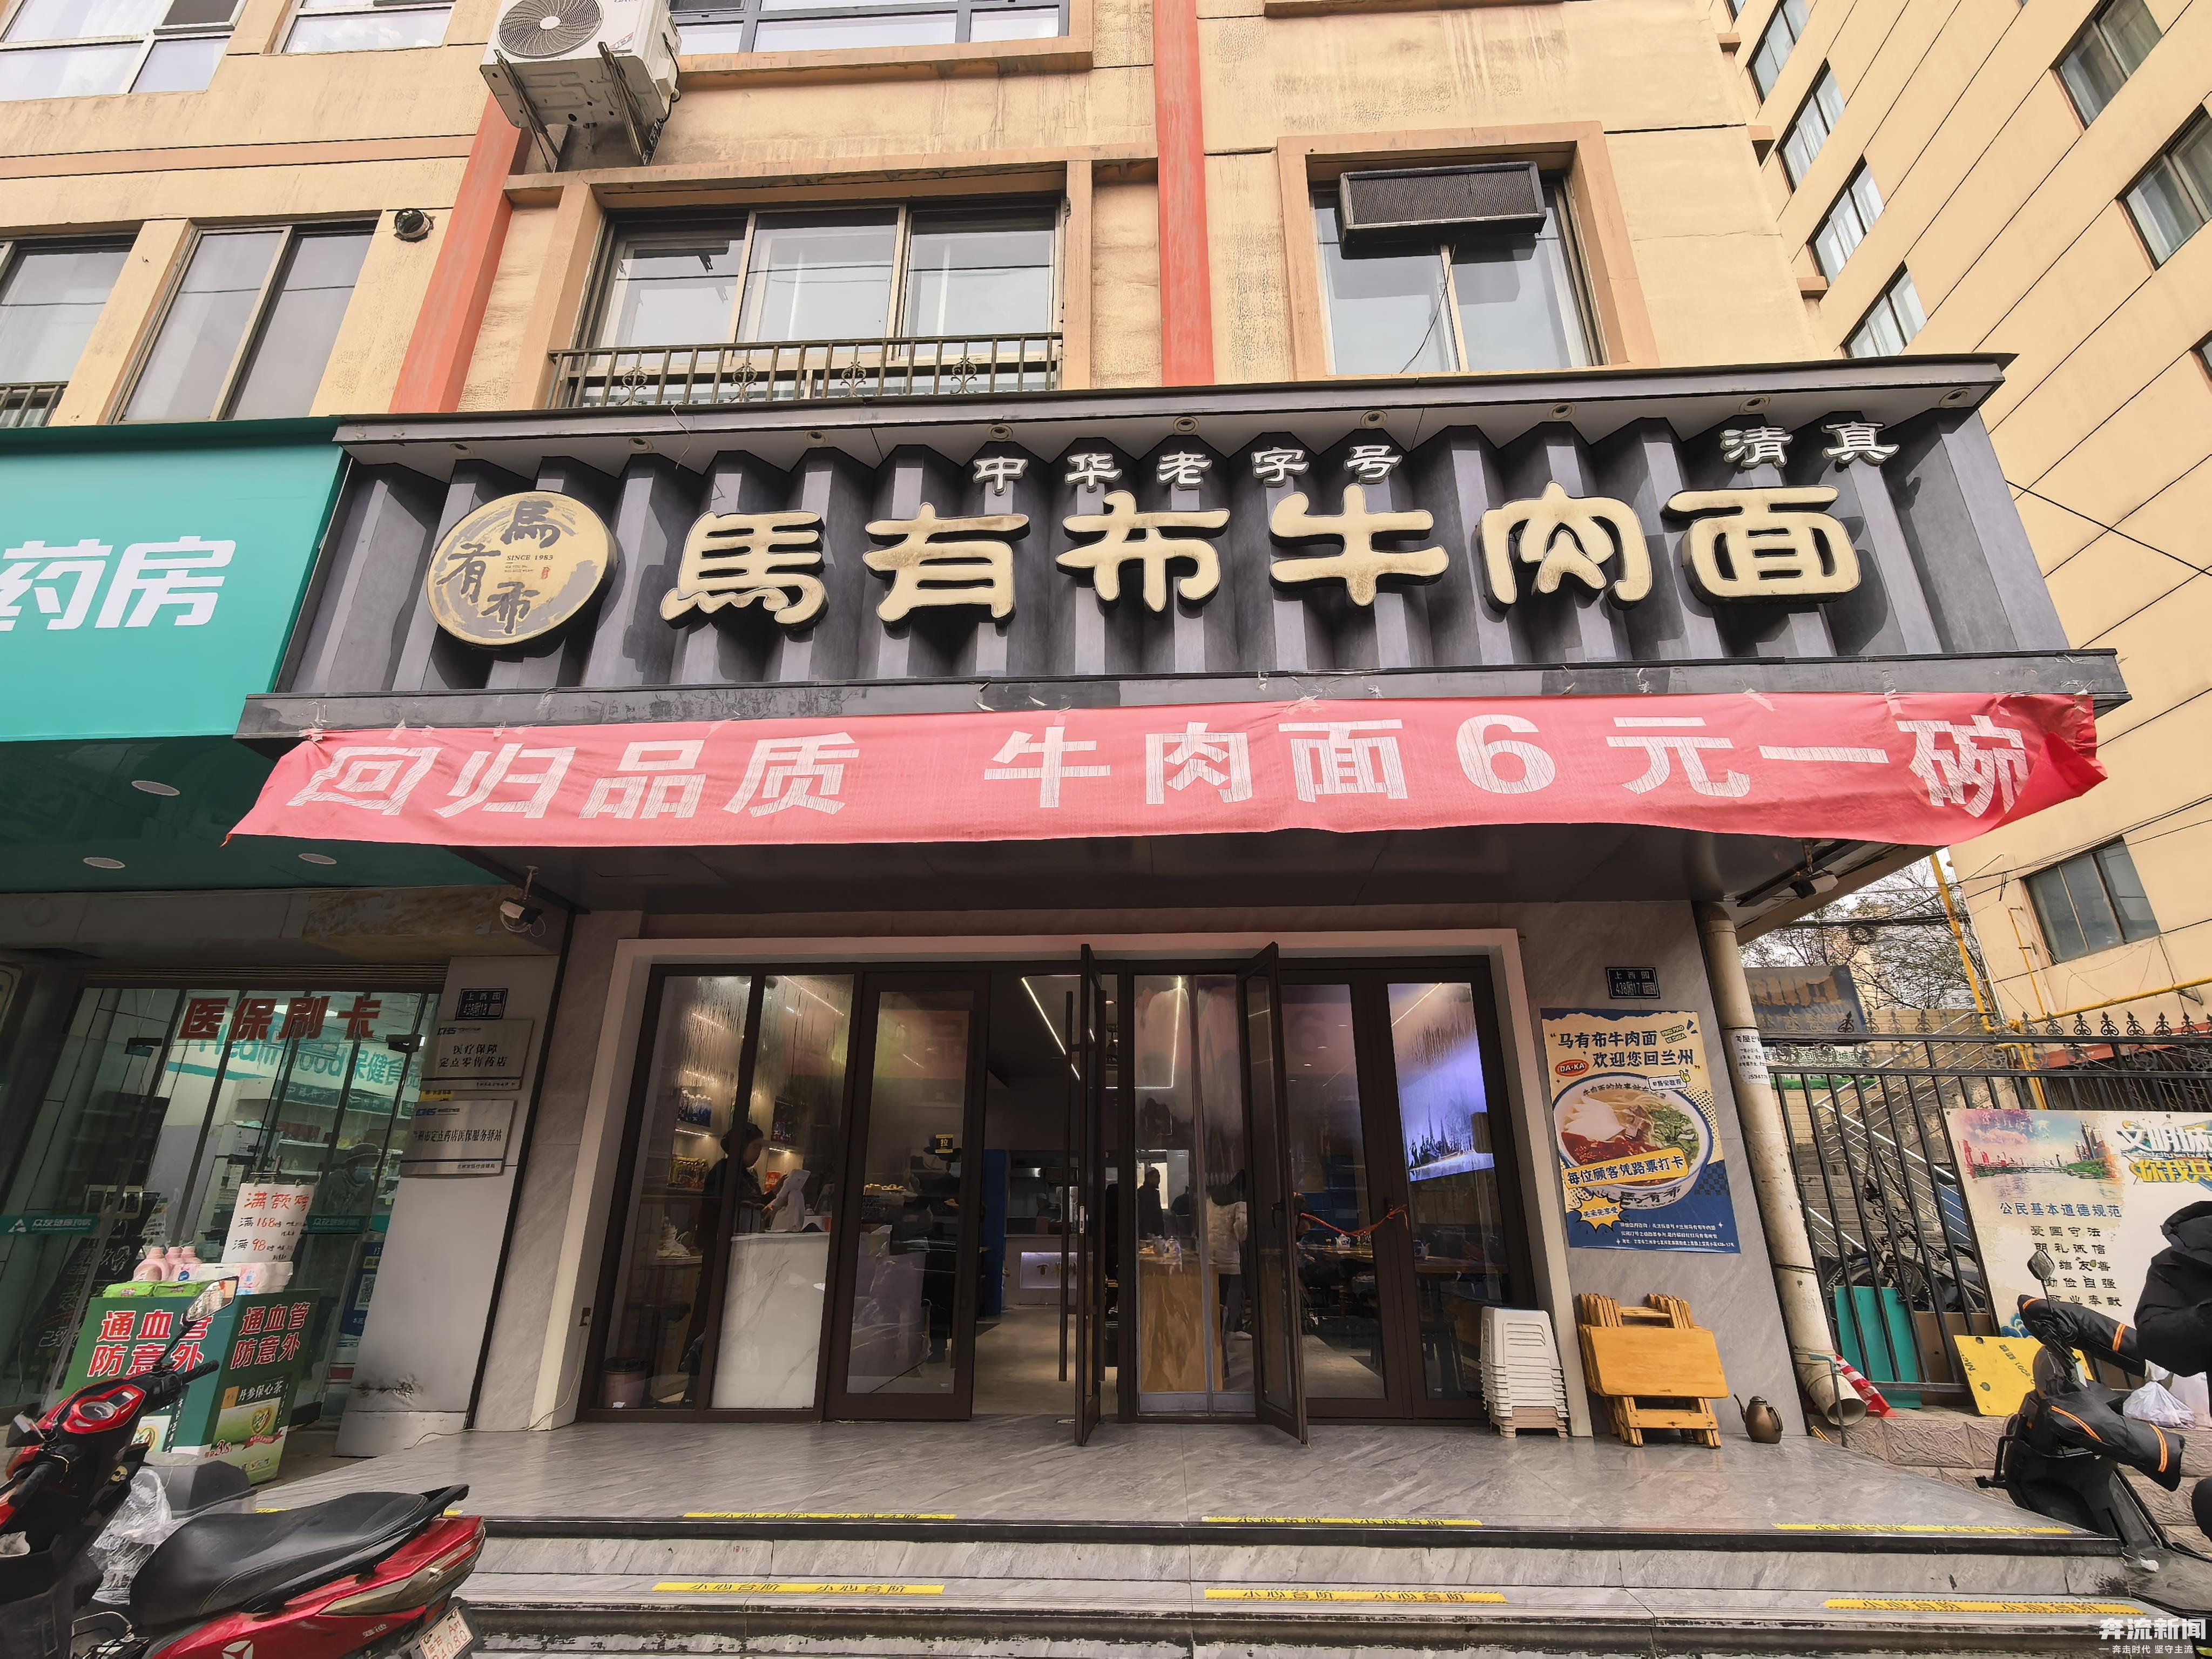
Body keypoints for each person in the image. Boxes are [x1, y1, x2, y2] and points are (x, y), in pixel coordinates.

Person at [1206, 1172, 1249, 1343]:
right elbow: (1241, 1231)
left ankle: (1215, 1330)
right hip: (1230, 1258)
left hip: (1210, 1256)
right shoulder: (1240, 1203)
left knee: (1216, 1297)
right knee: (1232, 1295)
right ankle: (1232, 1328)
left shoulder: (1210, 1198)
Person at [1138, 1165, 1167, 1240]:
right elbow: (1145, 1214)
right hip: (1149, 1232)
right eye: (1156, 1177)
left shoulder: (1154, 1192)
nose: (1159, 1180)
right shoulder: (1144, 1192)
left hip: (1155, 1231)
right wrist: (1148, 1232)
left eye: (1159, 1177)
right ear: (1149, 1178)